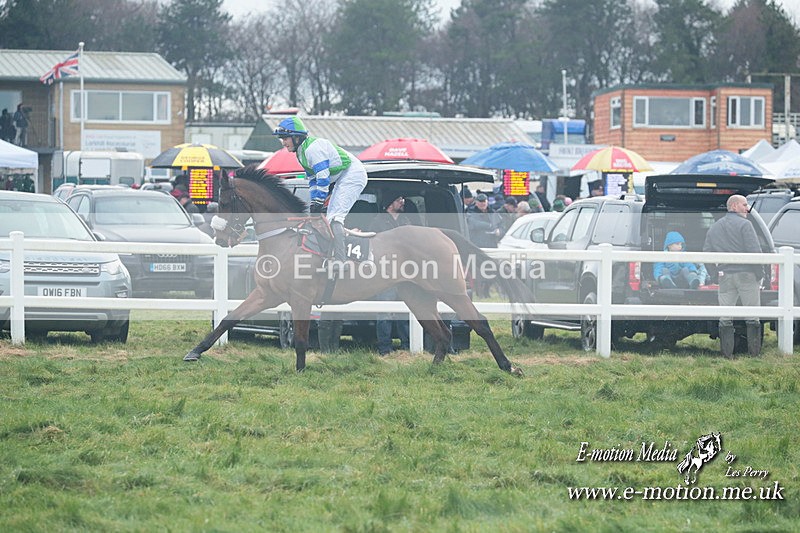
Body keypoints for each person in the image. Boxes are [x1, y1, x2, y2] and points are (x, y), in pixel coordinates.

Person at [272, 116, 367, 272]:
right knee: (327, 217)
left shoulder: (312, 150)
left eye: (285, 138)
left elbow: (323, 179)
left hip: (353, 174)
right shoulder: (301, 154)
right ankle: (329, 254)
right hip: (341, 176)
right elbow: (312, 181)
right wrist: (314, 201)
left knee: (335, 217)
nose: (283, 142)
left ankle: (341, 260)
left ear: (296, 137)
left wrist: (318, 201)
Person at [703, 194, 764, 357]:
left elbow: (706, 253)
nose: (747, 208)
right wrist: (760, 273)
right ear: (734, 206)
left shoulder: (714, 227)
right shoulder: (746, 225)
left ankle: (726, 354)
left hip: (725, 277)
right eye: (745, 205)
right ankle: (754, 354)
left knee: (725, 317)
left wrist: (714, 274)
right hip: (746, 275)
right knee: (752, 317)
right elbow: (755, 251)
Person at [370, 194, 411, 356]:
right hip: (385, 274)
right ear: (389, 203)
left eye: (402, 199)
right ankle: (384, 348)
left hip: (405, 273)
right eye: (398, 199)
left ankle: (407, 346)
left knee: (405, 311)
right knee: (384, 311)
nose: (403, 201)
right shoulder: (378, 221)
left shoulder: (406, 220)